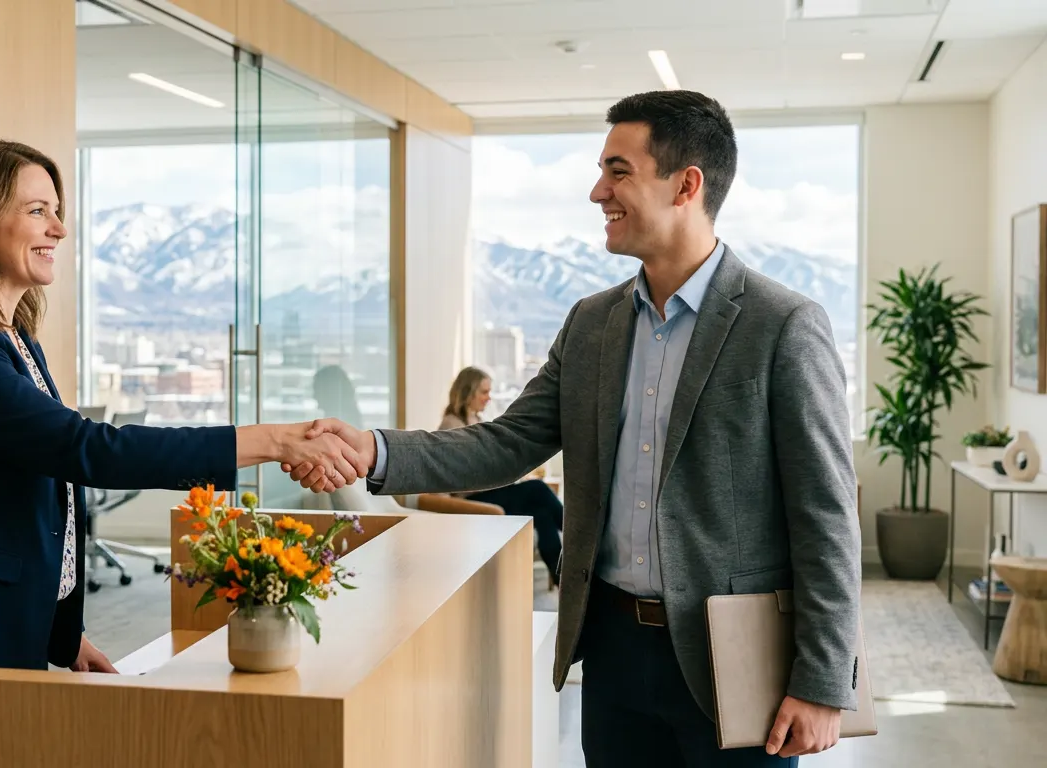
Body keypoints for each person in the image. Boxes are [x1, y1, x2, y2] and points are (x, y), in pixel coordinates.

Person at [289, 91, 860, 765]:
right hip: (612, 650)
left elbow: (826, 513)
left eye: (619, 171)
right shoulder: (592, 323)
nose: (598, 192)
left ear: (686, 184)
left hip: (733, 660)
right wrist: (373, 449)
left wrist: (823, 681)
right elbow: (506, 441)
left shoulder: (782, 324)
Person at [0, 138, 362, 673]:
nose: (59, 230)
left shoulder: (12, 336)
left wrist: (60, 634)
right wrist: (273, 441)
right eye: (37, 211)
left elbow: (35, 495)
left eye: (57, 212)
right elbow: (81, 449)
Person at [438, 366, 563, 589]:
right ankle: (579, 533)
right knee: (537, 488)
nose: (488, 398)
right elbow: (462, 473)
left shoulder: (476, 419)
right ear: (468, 393)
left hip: (492, 492)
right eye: (484, 392)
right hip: (474, 500)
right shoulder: (451, 425)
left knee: (542, 515)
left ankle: (562, 580)